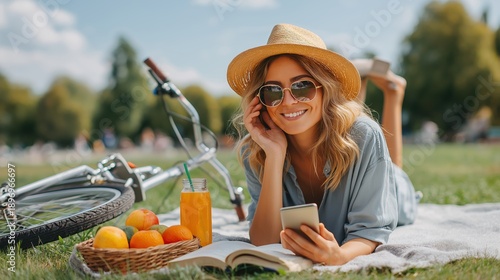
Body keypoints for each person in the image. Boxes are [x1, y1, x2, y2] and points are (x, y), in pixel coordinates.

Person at [227, 23, 419, 265]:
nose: (287, 101)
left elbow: (372, 230)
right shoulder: (256, 150)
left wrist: (339, 255)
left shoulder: (365, 135)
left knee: (386, 159)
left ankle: (394, 91)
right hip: (336, 126)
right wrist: (275, 156)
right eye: (273, 91)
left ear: (324, 87)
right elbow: (263, 241)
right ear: (261, 101)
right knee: (347, 124)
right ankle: (358, 78)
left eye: (301, 86)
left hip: (393, 188)